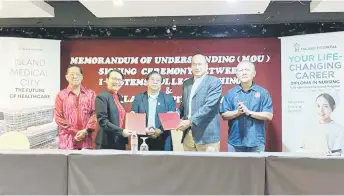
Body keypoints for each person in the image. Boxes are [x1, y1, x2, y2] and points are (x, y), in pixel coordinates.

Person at [220, 60, 273, 152]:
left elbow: (269, 115)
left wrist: (249, 112)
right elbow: (224, 115)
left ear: (254, 73)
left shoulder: (263, 93)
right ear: (237, 74)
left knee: (256, 167)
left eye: (247, 70)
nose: (244, 73)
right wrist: (238, 112)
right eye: (241, 70)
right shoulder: (231, 93)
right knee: (234, 167)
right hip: (235, 142)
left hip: (256, 142)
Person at [176, 54, 222, 152]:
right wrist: (175, 114)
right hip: (188, 136)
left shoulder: (214, 82)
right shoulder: (187, 83)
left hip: (207, 136)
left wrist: (189, 122)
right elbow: (184, 105)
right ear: (191, 67)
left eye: (200, 64)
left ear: (206, 66)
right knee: (189, 167)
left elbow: (209, 107)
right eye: (194, 64)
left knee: (209, 167)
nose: (197, 67)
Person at [55, 64, 96, 149]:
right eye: (72, 74)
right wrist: (75, 132)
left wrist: (85, 131)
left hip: (86, 140)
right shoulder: (61, 95)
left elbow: (95, 114)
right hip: (67, 141)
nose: (75, 76)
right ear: (66, 77)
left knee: (86, 162)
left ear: (81, 77)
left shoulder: (90, 94)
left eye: (77, 74)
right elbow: (59, 118)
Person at [131, 71, 176, 151]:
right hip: (142, 139)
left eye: (158, 80)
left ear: (161, 83)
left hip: (163, 139)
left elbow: (171, 120)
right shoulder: (138, 98)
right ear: (147, 82)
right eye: (152, 79)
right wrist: (143, 129)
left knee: (163, 163)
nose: (155, 82)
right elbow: (134, 118)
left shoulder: (169, 99)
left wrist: (160, 130)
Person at [95, 69, 135, 149]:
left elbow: (118, 117)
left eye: (119, 80)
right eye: (114, 79)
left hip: (120, 141)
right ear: (106, 80)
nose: (117, 82)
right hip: (106, 142)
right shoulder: (101, 97)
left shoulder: (119, 97)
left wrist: (129, 117)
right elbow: (103, 121)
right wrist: (121, 131)